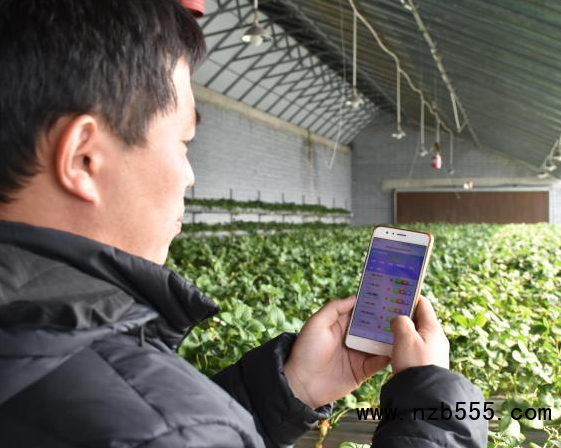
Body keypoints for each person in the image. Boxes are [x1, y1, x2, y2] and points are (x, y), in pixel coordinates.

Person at [0, 1, 487, 447]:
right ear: (84, 158)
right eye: (183, 143)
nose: (189, 176)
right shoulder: (157, 429)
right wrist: (433, 408)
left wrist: (290, 388)